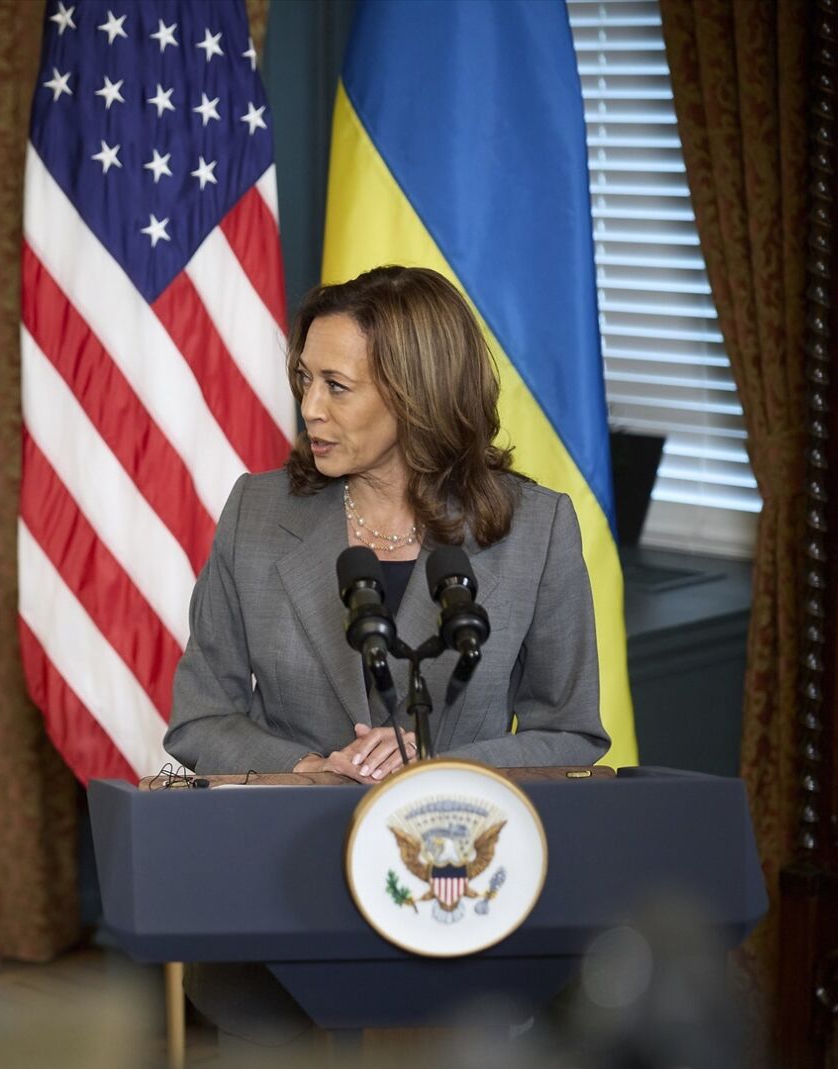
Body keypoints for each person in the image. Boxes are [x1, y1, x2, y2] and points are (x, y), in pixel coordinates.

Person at [165, 265, 608, 1055]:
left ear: (416, 393)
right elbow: (201, 716)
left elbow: (570, 734)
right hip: (278, 918)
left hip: (457, 907)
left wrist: (441, 771)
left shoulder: (535, 530)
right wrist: (307, 767)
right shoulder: (256, 513)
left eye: (337, 386)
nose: (310, 407)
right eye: (305, 379)